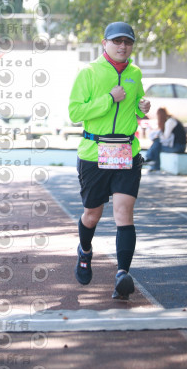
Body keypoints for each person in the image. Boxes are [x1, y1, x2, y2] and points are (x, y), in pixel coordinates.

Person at [69, 21, 150, 300]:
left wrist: (142, 106)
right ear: (105, 43)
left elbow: (137, 104)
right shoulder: (89, 72)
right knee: (92, 214)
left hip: (126, 152)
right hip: (94, 153)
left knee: (124, 213)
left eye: (127, 42)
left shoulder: (135, 73)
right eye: (117, 41)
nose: (122, 46)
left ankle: (122, 274)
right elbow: (75, 112)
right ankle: (85, 251)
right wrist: (108, 99)